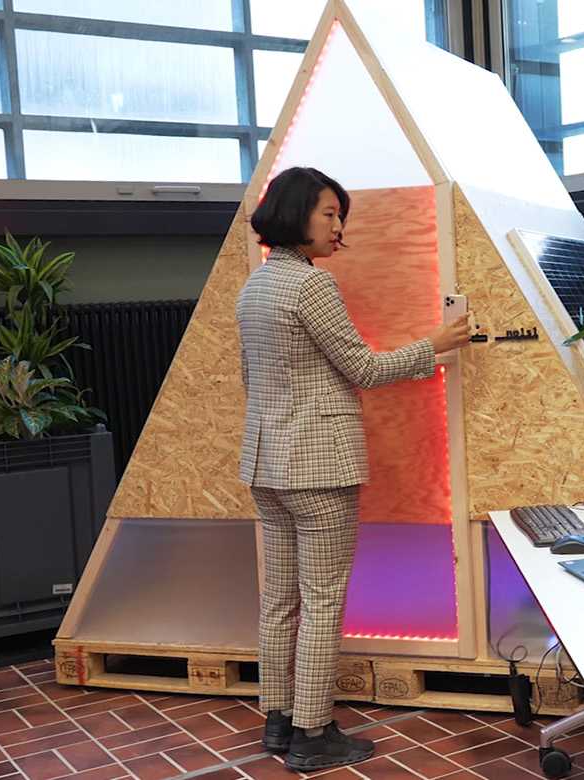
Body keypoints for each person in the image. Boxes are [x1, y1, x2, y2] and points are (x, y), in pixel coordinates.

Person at [236, 166, 472, 772]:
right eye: (329, 214)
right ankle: (314, 735)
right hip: (317, 467)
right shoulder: (312, 287)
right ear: (296, 215)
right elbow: (363, 369)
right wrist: (436, 345)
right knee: (321, 600)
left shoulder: (256, 287)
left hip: (266, 463)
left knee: (279, 601)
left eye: (339, 215)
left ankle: (279, 722)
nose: (338, 226)